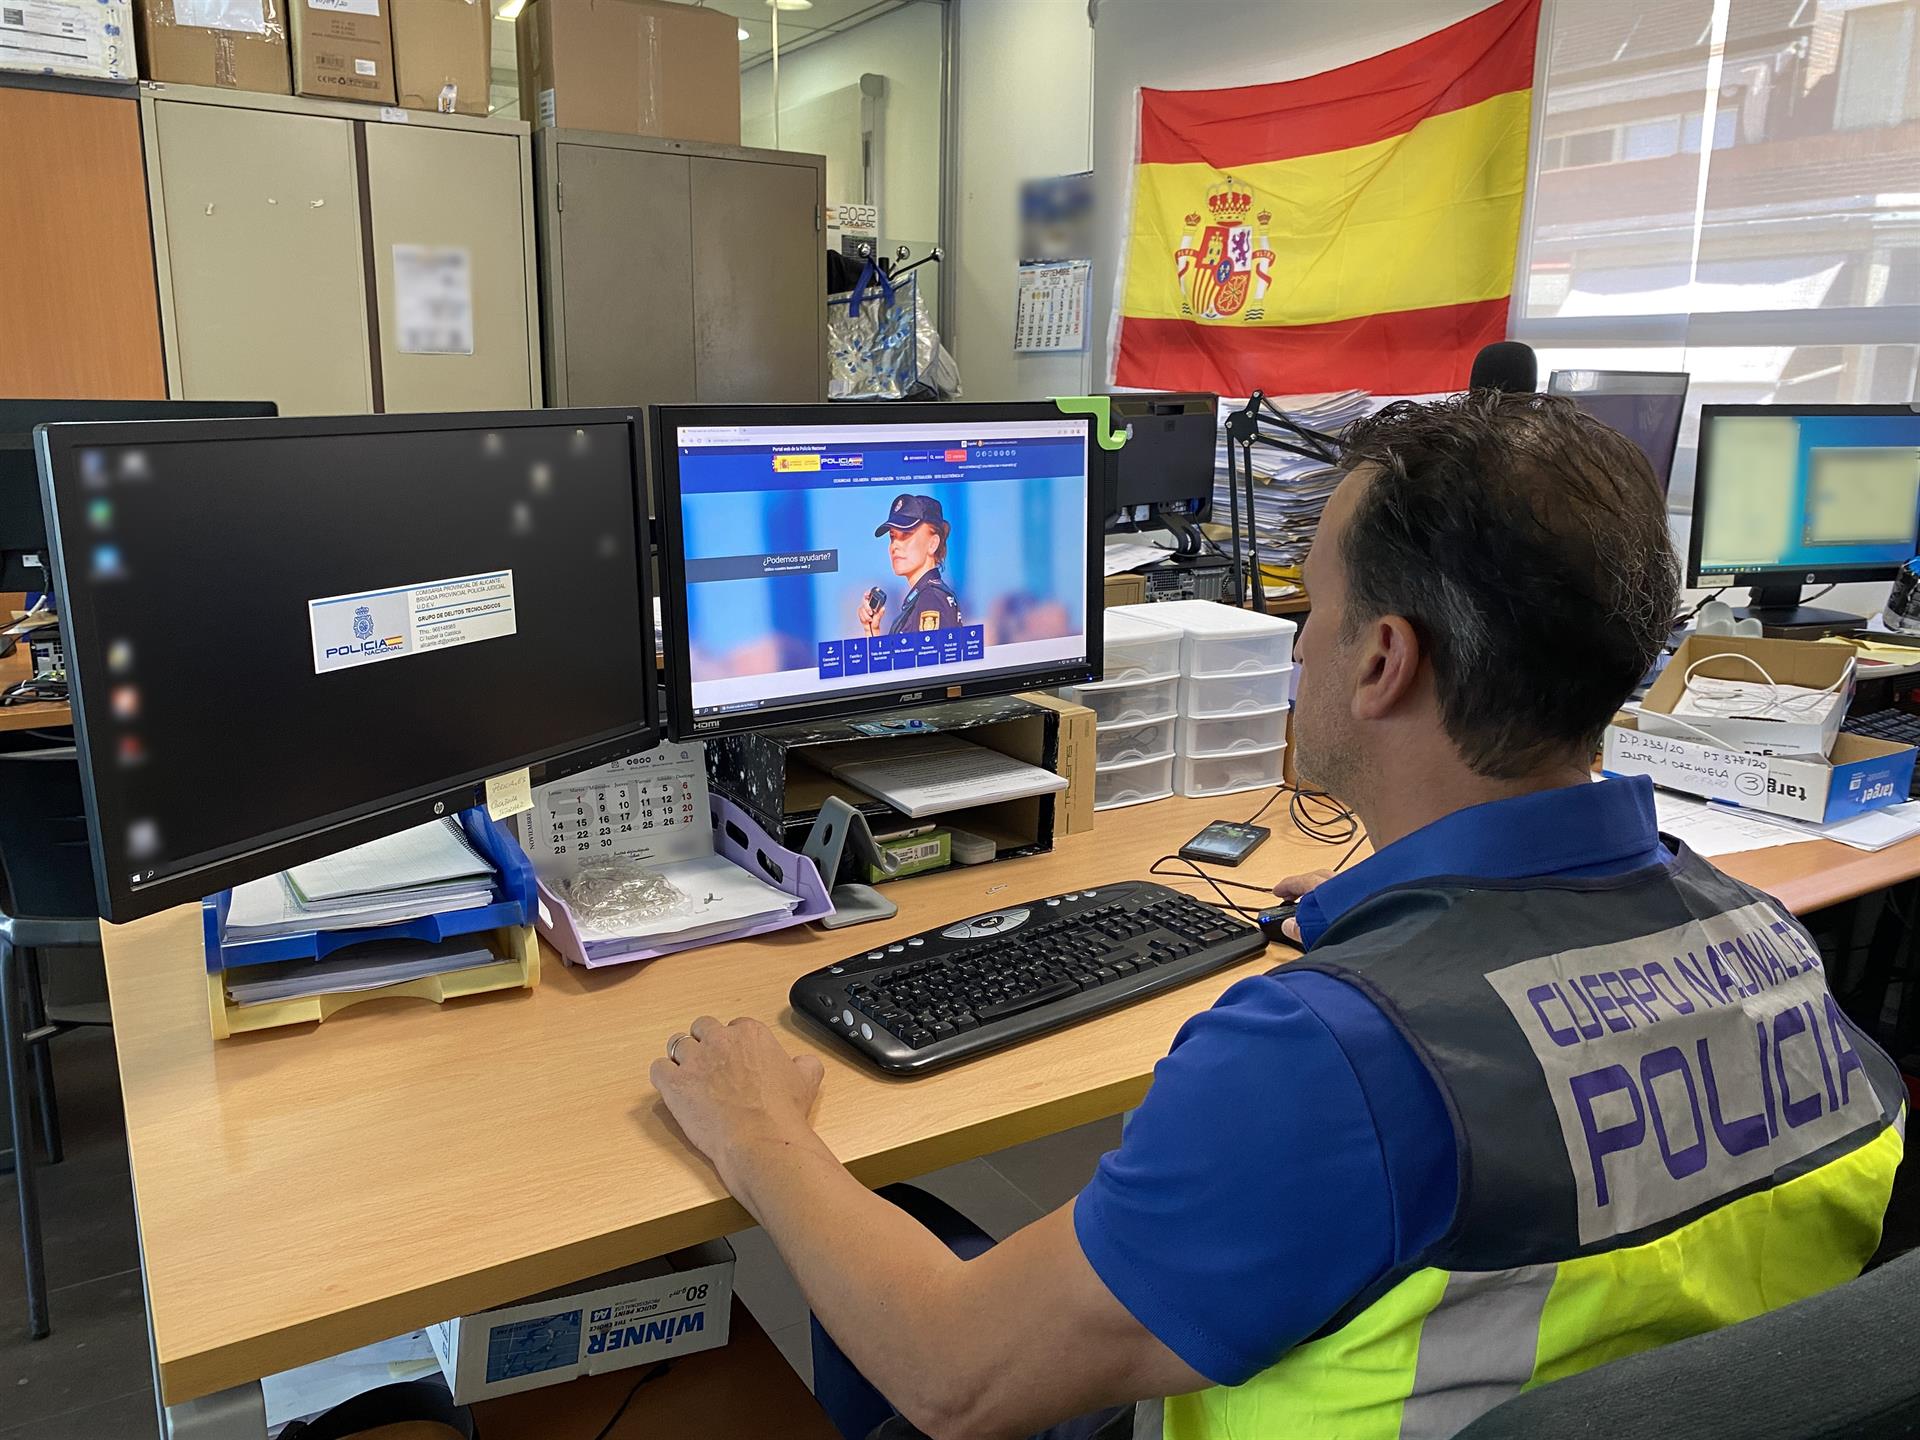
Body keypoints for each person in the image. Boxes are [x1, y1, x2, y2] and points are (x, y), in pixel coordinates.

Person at [649, 392, 1905, 1440]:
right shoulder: (1768, 941)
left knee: (885, 1234)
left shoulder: (1332, 1056)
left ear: (1382, 661)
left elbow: (955, 1376)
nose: (1295, 648)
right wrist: (1397, 928)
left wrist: (758, 1128)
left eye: (1310, 609)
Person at [858, 494, 965, 637]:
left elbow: (928, 658)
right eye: (892, 536)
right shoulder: (923, 598)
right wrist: (871, 629)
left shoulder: (930, 600)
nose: (894, 545)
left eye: (906, 534)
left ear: (933, 543)